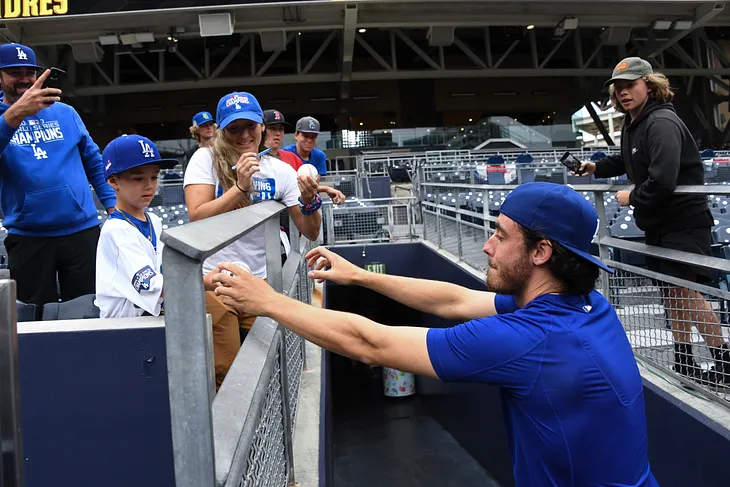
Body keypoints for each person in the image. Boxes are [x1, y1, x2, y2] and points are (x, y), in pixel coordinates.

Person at [211, 182, 659, 487]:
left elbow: (373, 343)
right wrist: (363, 277)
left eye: (500, 236)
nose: (486, 245)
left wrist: (267, 301)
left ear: (542, 251)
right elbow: (454, 301)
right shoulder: (588, 305)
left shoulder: (529, 339)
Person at [577, 57, 730, 386]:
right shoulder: (636, 124)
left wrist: (630, 197)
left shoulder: (660, 121)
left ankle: (724, 362)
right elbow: (627, 159)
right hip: (659, 223)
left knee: (687, 291)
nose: (623, 93)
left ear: (649, 84)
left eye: (630, 86)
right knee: (672, 292)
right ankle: (685, 361)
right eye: (618, 89)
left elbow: (663, 178)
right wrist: (594, 167)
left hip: (684, 221)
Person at [95, 134, 242, 388]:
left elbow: (166, 271)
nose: (149, 186)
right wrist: (206, 281)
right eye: (138, 178)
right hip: (123, 333)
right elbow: (153, 285)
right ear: (113, 181)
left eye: (154, 176)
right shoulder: (115, 231)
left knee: (221, 310)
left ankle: (225, 388)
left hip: (149, 322)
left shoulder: (152, 220)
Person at [184, 91, 321, 335]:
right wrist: (239, 187)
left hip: (261, 281)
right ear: (221, 131)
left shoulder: (280, 170)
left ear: (262, 127)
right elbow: (196, 217)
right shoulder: (205, 159)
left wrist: (310, 201)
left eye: (250, 126)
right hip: (215, 279)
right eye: (234, 128)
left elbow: (309, 230)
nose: (244, 135)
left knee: (266, 361)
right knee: (227, 364)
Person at [0, 43, 116, 306]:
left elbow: (94, 162)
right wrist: (15, 115)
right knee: (32, 318)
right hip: (28, 236)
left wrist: (112, 205)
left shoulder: (65, 112)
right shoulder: (3, 119)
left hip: (81, 231)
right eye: (14, 72)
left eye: (30, 72)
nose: (25, 79)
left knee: (91, 310)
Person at [263, 109, 345, 204]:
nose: (309, 140)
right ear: (296, 135)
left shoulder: (315, 156)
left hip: (300, 204)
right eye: (305, 136)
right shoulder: (286, 154)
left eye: (313, 137)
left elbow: (310, 188)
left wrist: (324, 189)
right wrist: (326, 188)